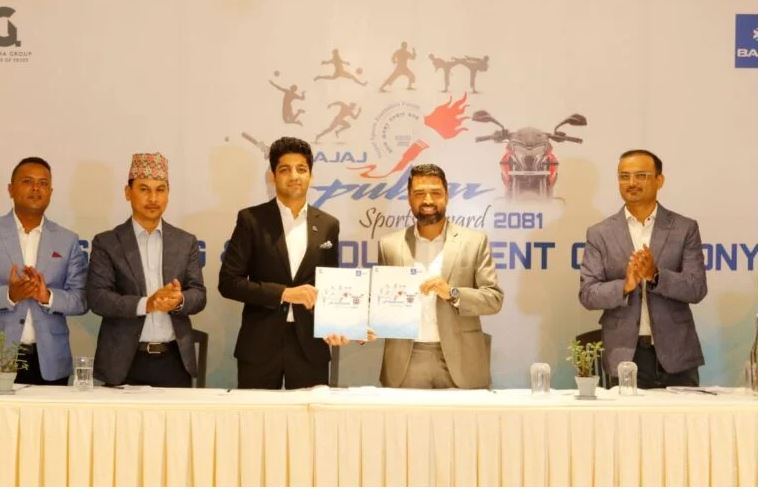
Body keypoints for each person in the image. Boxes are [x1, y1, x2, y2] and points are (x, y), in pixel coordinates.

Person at [219, 136, 346, 389]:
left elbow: (331, 286)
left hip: (311, 345)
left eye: (301, 169)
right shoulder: (251, 220)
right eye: (285, 169)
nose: (294, 176)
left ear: (311, 175)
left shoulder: (328, 225)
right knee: (257, 414)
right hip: (260, 344)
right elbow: (229, 283)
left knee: (311, 414)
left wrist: (343, 324)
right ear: (273, 176)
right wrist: (284, 293)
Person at [579, 149, 707, 388]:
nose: (631, 183)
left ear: (660, 180)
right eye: (624, 176)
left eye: (641, 176)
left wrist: (655, 276)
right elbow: (588, 294)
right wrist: (625, 286)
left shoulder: (684, 228)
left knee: (684, 414)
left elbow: (697, 288)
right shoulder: (600, 233)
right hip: (625, 356)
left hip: (677, 355)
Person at [377, 163, 503, 389]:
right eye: (419, 193)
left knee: (462, 416)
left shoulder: (475, 242)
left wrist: (453, 293)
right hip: (406, 360)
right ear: (409, 198)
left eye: (435, 193)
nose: (428, 200)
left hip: (462, 360)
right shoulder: (389, 245)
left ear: (447, 196)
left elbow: (493, 299)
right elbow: (381, 304)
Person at [88, 153, 206, 387]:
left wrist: (179, 300)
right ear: (127, 192)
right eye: (144, 189)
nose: (153, 198)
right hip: (124, 363)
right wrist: (146, 304)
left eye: (160, 190)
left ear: (168, 194)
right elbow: (98, 298)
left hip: (174, 361)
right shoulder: (107, 243)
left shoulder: (185, 242)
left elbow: (199, 295)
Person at [0, 156, 87, 385]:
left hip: (50, 362)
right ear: (10, 189)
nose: (36, 188)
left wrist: (47, 296)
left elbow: (81, 300)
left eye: (43, 183)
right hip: (3, 356)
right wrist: (10, 295)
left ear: (51, 191)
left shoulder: (67, 240)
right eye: (27, 181)